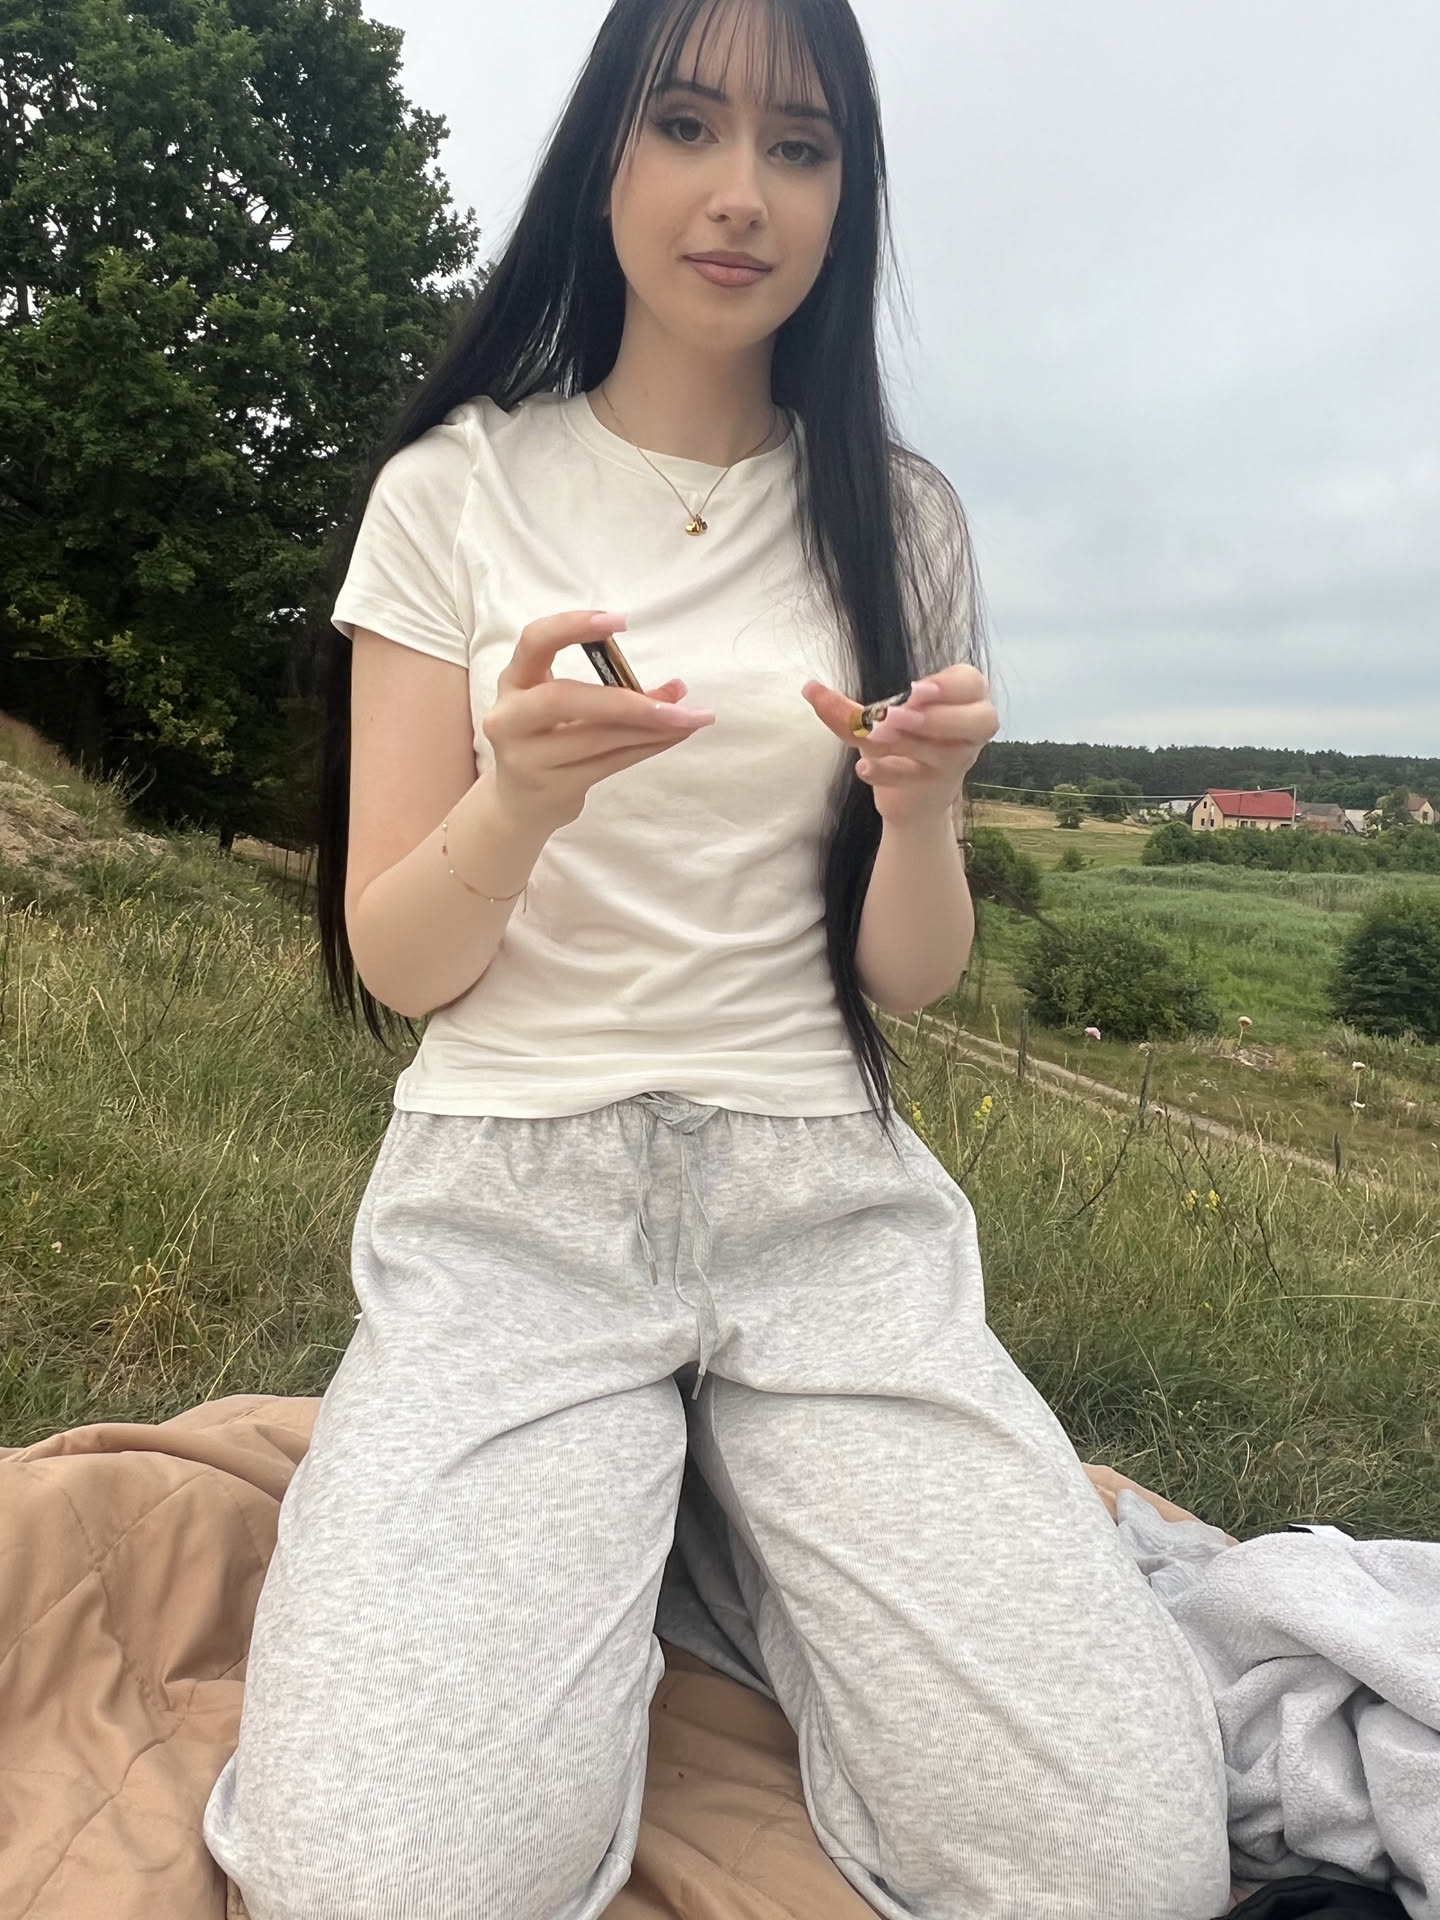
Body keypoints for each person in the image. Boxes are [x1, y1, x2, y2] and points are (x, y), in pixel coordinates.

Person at [203, 1, 1233, 1915]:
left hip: (822, 1206)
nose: (742, 191)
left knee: (1127, 1866)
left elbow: (908, 978)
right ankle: (652, 1504)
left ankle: (712, 1513)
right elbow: (401, 959)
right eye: (686, 124)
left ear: (850, 192)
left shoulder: (901, 518)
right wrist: (517, 798)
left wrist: (921, 813)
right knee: (380, 1886)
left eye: (801, 145)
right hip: (517, 1208)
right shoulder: (455, 488)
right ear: (605, 153)